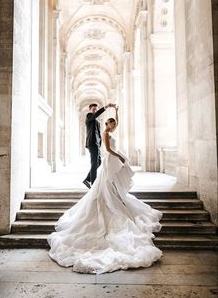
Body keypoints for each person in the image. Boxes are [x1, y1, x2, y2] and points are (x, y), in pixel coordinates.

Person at [47, 105, 163, 274]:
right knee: (105, 182)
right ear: (107, 125)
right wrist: (120, 156)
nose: (113, 126)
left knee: (111, 185)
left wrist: (116, 111)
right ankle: (98, 191)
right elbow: (108, 149)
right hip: (110, 160)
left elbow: (118, 123)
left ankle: (99, 188)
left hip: (111, 161)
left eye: (113, 124)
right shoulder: (100, 128)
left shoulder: (111, 129)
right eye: (111, 124)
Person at [83, 102, 116, 189]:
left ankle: (87, 179)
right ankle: (93, 184)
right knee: (94, 163)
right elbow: (93, 116)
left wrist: (101, 143)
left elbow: (98, 133)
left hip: (97, 144)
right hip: (92, 143)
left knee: (99, 162)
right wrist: (105, 107)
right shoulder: (89, 116)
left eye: (96, 110)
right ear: (90, 110)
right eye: (93, 109)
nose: (95, 111)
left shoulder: (97, 122)